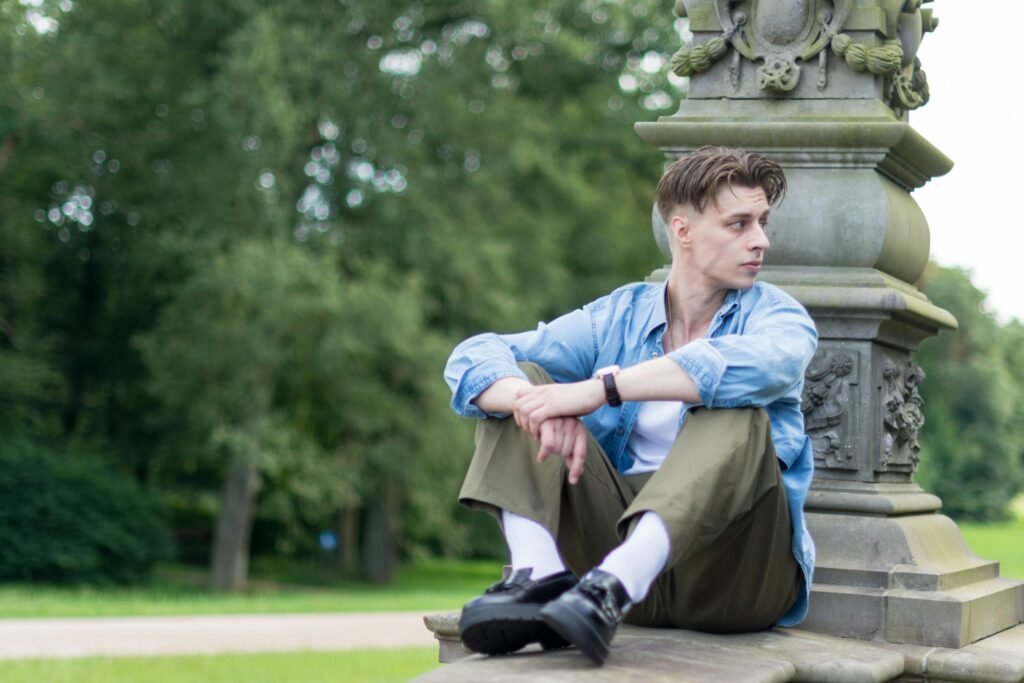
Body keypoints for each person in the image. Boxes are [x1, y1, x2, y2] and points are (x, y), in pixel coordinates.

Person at [443, 146, 817, 666]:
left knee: (736, 408)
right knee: (521, 386)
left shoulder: (778, 317)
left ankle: (613, 584)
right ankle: (539, 577)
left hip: (733, 578)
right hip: (610, 563)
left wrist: (598, 390)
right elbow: (471, 357)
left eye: (761, 222)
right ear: (682, 231)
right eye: (739, 224)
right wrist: (543, 405)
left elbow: (764, 367)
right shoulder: (618, 315)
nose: (761, 240)